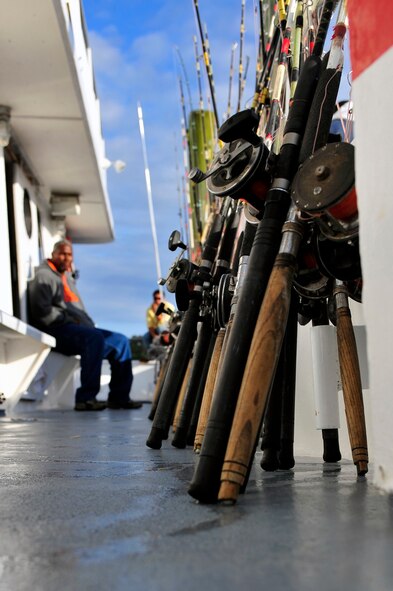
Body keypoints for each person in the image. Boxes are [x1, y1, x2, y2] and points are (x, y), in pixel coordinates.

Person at [28, 239, 142, 412]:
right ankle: (86, 398)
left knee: (121, 341)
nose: (66, 258)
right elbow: (41, 313)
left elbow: (78, 309)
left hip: (80, 330)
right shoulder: (44, 276)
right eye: (62, 254)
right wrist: (69, 319)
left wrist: (85, 322)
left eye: (69, 255)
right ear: (53, 254)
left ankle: (119, 397)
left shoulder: (66, 277)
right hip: (56, 331)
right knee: (94, 338)